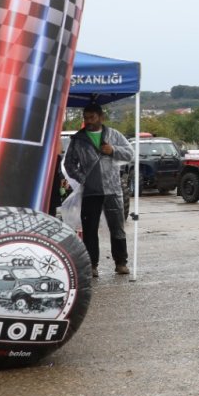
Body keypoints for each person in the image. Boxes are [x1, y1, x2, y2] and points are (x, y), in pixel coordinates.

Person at [63, 103, 133, 277]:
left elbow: (129, 153)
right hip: (90, 192)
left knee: (117, 227)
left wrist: (113, 150)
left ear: (101, 117)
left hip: (113, 189)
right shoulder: (78, 139)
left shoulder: (114, 135)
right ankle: (91, 265)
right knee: (90, 230)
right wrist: (83, 178)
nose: (88, 121)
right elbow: (69, 164)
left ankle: (121, 262)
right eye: (86, 118)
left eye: (92, 117)